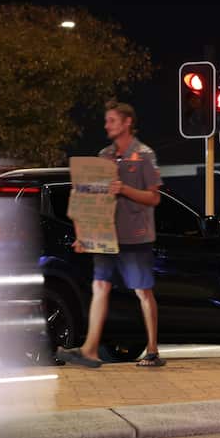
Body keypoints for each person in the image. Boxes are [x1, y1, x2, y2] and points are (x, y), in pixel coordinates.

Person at [57, 100, 166, 369]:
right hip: (107, 237)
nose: (107, 126)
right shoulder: (104, 155)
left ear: (127, 122)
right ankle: (90, 351)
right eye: (106, 121)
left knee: (143, 291)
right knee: (100, 286)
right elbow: (91, 198)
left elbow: (154, 198)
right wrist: (84, 235)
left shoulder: (144, 155)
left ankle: (152, 351)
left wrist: (125, 190)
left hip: (135, 236)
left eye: (112, 121)